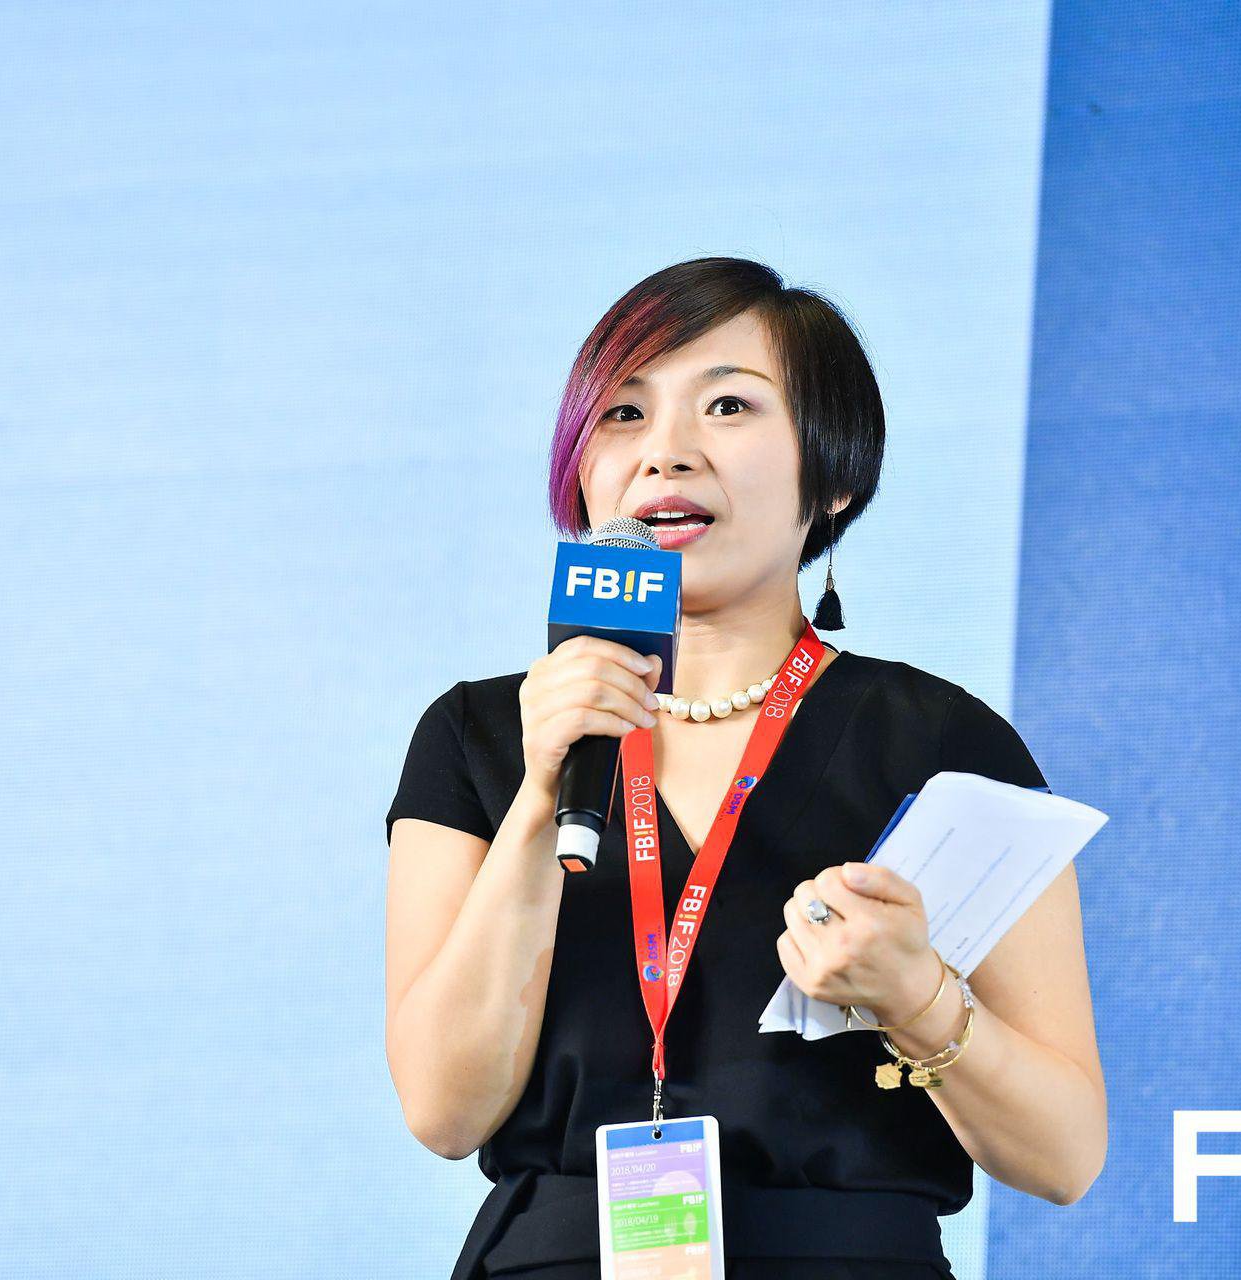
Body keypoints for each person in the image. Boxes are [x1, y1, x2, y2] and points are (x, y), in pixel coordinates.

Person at [383, 257, 1106, 1279]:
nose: (666, 452)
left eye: (728, 405)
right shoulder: (482, 735)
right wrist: (544, 796)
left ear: (835, 472)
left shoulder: (944, 742)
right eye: (624, 413)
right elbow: (444, 1109)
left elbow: (1066, 1154)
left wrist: (916, 995)